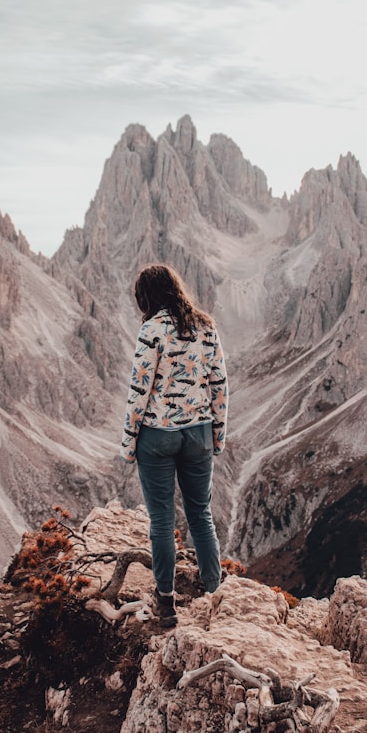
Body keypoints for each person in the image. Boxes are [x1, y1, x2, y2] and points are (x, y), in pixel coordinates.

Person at [120, 263, 228, 627]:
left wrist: (128, 441)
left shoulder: (151, 330)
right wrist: (218, 433)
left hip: (157, 436)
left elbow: (140, 389)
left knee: (162, 519)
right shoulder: (206, 327)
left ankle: (166, 603)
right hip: (198, 432)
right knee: (201, 515)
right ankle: (215, 592)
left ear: (146, 298)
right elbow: (219, 384)